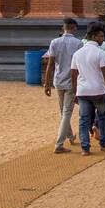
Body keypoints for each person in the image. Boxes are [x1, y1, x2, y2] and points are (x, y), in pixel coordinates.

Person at [71, 24, 105, 157]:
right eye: (100, 36)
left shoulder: (77, 54)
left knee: (84, 119)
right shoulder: (100, 53)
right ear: (93, 36)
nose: (102, 39)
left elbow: (73, 75)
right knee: (103, 117)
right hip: (98, 90)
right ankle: (103, 143)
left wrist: (75, 92)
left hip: (83, 92)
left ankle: (85, 147)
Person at [41, 17, 84, 154]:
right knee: (66, 113)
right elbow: (80, 66)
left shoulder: (55, 42)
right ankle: (59, 144)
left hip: (58, 80)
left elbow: (50, 64)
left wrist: (46, 83)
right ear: (74, 28)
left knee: (63, 112)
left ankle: (70, 136)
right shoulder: (78, 43)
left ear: (63, 28)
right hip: (72, 81)